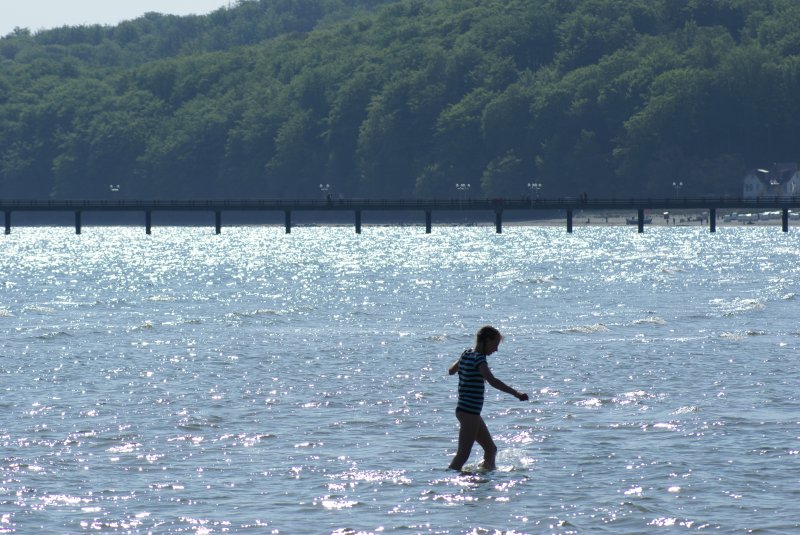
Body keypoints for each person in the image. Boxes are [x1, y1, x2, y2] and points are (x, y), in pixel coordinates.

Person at [448, 325, 529, 471]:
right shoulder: (479, 359)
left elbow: (451, 371)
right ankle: (446, 479)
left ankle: (486, 479)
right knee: (463, 455)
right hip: (469, 412)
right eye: (495, 345)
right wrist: (516, 393)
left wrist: (462, 360)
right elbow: (492, 380)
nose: (496, 349)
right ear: (486, 340)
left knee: (491, 449)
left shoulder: (467, 354)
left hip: (466, 411)